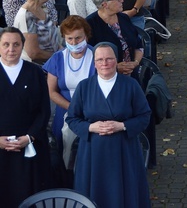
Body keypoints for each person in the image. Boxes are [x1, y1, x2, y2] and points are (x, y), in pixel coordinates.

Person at [66, 42, 151, 207]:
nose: (104, 63)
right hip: (92, 153)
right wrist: (91, 127)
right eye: (100, 60)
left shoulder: (130, 85)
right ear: (94, 63)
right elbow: (72, 118)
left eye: (109, 59)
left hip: (124, 151)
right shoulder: (84, 87)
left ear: (116, 60)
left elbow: (144, 116)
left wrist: (122, 126)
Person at [0, 27, 51, 208]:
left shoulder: (35, 73)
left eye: (16, 44)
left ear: (23, 46)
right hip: (0, 147)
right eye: (6, 44)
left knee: (29, 197)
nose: (11, 49)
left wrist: (30, 137)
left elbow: (44, 111)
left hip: (29, 145)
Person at [42, 16, 96, 168]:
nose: (74, 43)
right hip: (64, 113)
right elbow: (51, 91)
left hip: (92, 112)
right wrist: (72, 108)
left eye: (78, 38)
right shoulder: (57, 58)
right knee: (64, 153)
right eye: (69, 38)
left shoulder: (97, 56)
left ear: (86, 35)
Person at [85, 0, 143, 74]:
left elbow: (139, 45)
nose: (122, 0)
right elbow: (88, 58)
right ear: (105, 4)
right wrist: (115, 68)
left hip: (132, 74)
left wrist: (135, 63)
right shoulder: (89, 25)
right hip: (105, 77)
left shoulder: (123, 18)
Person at [13, 0, 60, 64]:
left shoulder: (42, 7)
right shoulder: (27, 16)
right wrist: (60, 56)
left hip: (52, 61)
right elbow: (33, 53)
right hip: (38, 68)